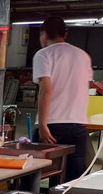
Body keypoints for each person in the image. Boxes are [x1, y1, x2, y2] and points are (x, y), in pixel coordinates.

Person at [32, 16, 94, 182]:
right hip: (78, 126)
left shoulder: (44, 55)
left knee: (34, 174)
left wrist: (43, 125)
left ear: (44, 34)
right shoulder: (83, 55)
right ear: (65, 34)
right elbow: (85, 87)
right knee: (72, 179)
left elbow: (46, 90)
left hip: (53, 126)